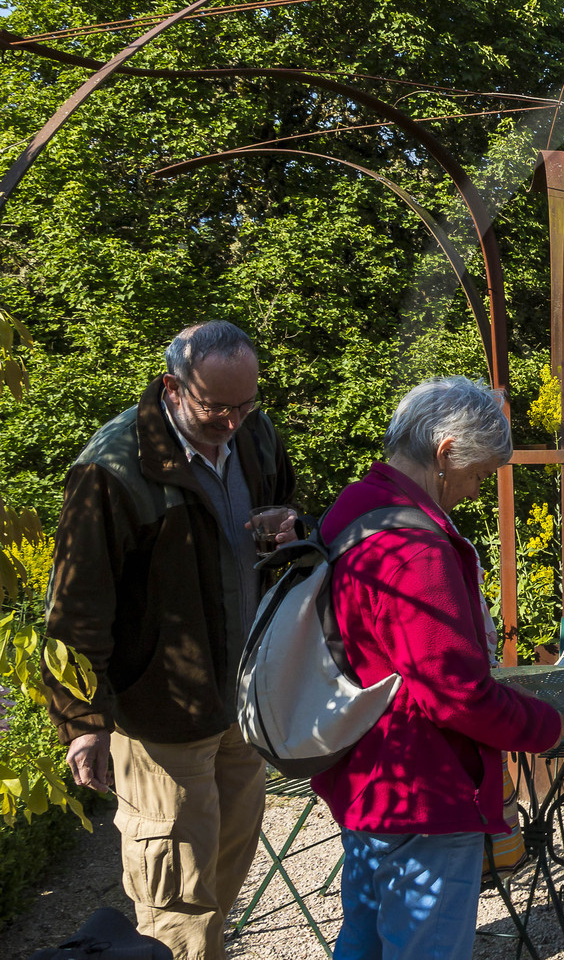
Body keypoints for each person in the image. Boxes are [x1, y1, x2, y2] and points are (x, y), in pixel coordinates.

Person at [45, 321, 300, 960]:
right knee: (177, 898)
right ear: (172, 386)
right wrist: (84, 722)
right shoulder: (112, 469)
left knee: (222, 876)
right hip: (162, 719)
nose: (233, 421)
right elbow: (75, 612)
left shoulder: (255, 437)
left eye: (246, 405)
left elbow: (290, 507)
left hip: (243, 703)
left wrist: (286, 524)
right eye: (217, 406)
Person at [313, 376, 563, 960]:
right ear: (445, 451)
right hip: (424, 783)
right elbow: (455, 694)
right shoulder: (415, 550)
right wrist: (543, 726)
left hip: (368, 770)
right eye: (477, 473)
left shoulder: (356, 504)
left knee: (365, 939)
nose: (477, 491)